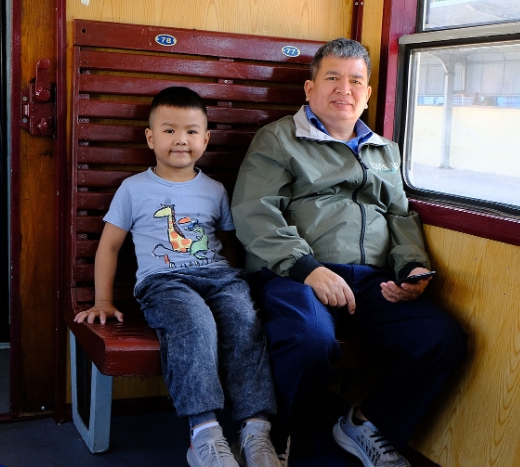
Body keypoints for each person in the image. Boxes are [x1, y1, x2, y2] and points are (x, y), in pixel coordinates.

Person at [231, 38, 467, 467]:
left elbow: (399, 217)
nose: (345, 89)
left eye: (356, 80)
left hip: (370, 281)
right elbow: (254, 212)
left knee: (440, 338)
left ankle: (369, 425)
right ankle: (273, 438)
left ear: (369, 92)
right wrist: (308, 269)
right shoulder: (279, 139)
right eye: (333, 78)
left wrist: (412, 266)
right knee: (309, 340)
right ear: (309, 88)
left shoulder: (383, 151)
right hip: (296, 273)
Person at [74, 87, 282, 467]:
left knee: (243, 319)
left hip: (219, 276)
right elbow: (109, 247)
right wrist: (102, 299)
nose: (180, 140)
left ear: (205, 138)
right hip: (163, 283)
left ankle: (256, 429)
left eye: (190, 131)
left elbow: (227, 244)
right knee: (195, 322)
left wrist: (240, 284)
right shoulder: (133, 189)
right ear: (150, 137)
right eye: (169, 131)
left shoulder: (215, 190)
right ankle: (204, 433)